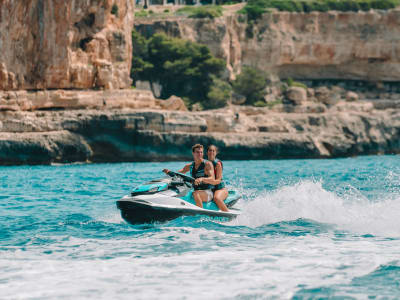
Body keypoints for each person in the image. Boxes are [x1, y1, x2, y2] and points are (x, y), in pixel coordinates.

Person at [163, 144, 214, 208]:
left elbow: (212, 178)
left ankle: (199, 212)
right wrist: (169, 172)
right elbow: (179, 174)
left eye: (201, 152)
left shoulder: (207, 164)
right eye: (197, 152)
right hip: (196, 190)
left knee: (195, 193)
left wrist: (201, 179)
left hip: (208, 192)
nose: (200, 154)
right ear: (193, 153)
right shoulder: (190, 166)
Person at [203, 145, 229, 212]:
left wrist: (206, 181)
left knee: (216, 198)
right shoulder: (204, 163)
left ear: (216, 153)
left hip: (220, 189)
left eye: (213, 151)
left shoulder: (217, 164)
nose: (211, 152)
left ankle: (229, 215)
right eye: (210, 150)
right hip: (210, 189)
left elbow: (218, 181)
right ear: (207, 152)